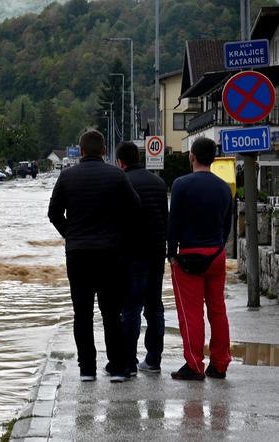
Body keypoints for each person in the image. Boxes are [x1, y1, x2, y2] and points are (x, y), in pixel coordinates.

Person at [48, 129, 141, 383]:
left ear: (80, 151)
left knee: (82, 313)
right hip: (111, 253)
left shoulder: (66, 177)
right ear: (103, 151)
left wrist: (71, 234)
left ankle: (87, 368)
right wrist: (118, 234)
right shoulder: (117, 176)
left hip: (78, 254)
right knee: (111, 312)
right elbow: (135, 209)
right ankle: (118, 367)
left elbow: (53, 213)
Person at [167, 137, 233, 381]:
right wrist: (218, 247)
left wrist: (171, 253)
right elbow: (228, 225)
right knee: (218, 310)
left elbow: (173, 223)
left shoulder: (181, 184)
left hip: (189, 257)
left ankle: (194, 365)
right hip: (216, 255)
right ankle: (220, 364)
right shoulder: (225, 187)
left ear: (192, 156)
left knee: (191, 313)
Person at [115, 141, 167, 376]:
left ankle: (128, 362)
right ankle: (154, 360)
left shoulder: (122, 182)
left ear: (120, 162)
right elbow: (164, 219)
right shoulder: (158, 183)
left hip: (131, 254)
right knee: (155, 309)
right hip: (156, 253)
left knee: (131, 309)